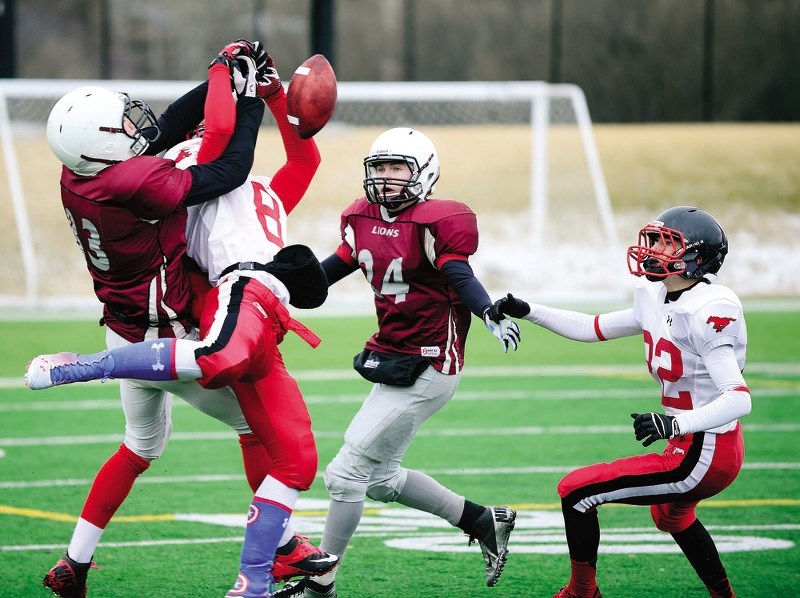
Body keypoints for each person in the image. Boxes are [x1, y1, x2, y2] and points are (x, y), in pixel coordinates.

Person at [31, 40, 334, 597]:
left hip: (126, 321)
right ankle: (284, 550)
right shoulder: (176, 186)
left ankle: (73, 563)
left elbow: (183, 135)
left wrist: (236, 81)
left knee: (140, 445)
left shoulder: (86, 175)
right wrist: (258, 98)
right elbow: (241, 157)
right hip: (163, 331)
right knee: (253, 427)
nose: (145, 133)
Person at [275, 127, 522, 598]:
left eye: (397, 168)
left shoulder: (438, 220)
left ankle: (319, 585)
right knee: (380, 480)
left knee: (345, 474)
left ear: (424, 173)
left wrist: (487, 310)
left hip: (431, 363)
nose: (385, 178)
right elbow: (334, 270)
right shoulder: (360, 215)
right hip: (393, 358)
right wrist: (278, 288)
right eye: (379, 167)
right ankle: (482, 520)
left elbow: (457, 271)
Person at [493, 206, 751, 598]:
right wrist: (530, 311)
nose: (651, 250)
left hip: (706, 449)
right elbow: (592, 327)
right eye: (653, 240)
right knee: (670, 516)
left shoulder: (709, 309)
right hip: (692, 443)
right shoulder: (657, 295)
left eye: (666, 244)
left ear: (697, 258)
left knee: (576, 491)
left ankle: (582, 593)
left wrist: (673, 424)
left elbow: (738, 398)